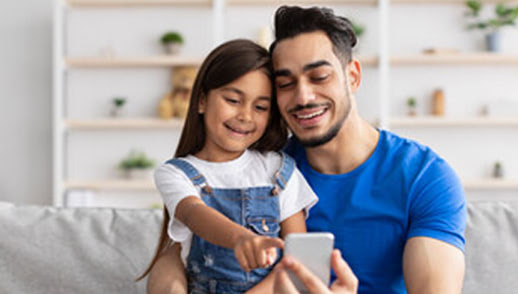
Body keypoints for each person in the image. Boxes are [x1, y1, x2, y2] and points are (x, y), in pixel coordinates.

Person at [147, 6, 467, 294]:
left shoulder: (423, 176)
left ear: (352, 76)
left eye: (319, 77)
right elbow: (180, 250)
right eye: (285, 83)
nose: (303, 97)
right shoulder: (266, 168)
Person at [139, 39, 318, 294]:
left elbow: (297, 258)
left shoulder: (279, 169)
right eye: (233, 100)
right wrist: (241, 239)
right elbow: (192, 212)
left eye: (260, 107)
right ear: (201, 101)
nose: (245, 116)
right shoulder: (176, 173)